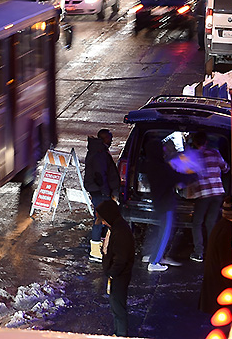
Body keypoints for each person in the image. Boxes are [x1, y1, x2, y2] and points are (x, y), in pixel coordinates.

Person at [185, 131, 230, 262]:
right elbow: (226, 168)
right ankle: (212, 252)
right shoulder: (215, 153)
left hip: (203, 194)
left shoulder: (192, 157)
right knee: (211, 222)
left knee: (197, 223)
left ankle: (198, 253)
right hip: (217, 192)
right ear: (206, 142)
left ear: (194, 142)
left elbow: (187, 177)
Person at [144, 138, 187, 271]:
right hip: (166, 204)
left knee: (160, 232)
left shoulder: (150, 165)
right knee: (165, 233)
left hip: (159, 202)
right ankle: (154, 262)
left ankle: (155, 255)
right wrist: (194, 175)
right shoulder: (161, 167)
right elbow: (176, 177)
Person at [97, 198, 135, 337]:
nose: (102, 222)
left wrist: (112, 273)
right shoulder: (116, 228)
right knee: (115, 307)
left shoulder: (121, 232)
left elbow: (121, 258)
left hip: (119, 276)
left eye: (103, 219)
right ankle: (118, 333)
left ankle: (121, 334)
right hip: (116, 275)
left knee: (118, 308)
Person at [84, 128, 120, 261]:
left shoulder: (98, 150)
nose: (111, 140)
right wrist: (107, 194)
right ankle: (95, 251)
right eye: (109, 138)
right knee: (99, 220)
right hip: (101, 192)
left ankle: (100, 248)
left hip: (98, 191)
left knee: (101, 219)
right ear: (104, 138)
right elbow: (101, 175)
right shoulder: (100, 153)